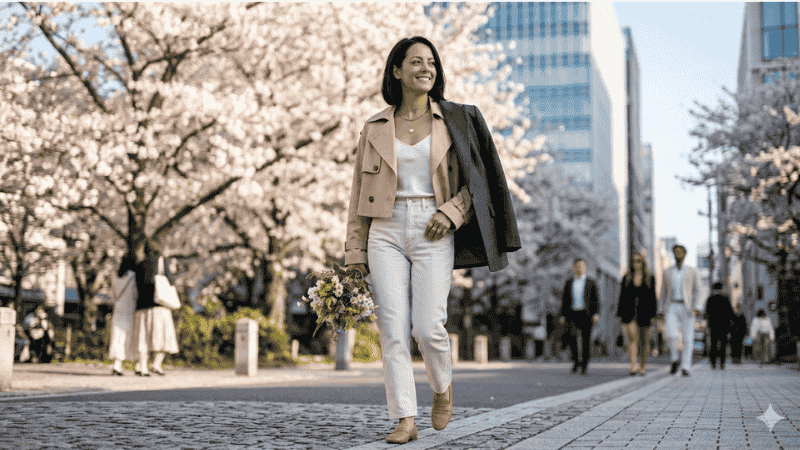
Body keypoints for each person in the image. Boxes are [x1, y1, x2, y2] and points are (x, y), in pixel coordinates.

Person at [344, 36, 520, 444]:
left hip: (433, 225)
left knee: (428, 327)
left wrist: (451, 213)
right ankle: (405, 417)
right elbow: (356, 197)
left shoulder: (455, 120)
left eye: (432, 63)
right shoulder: (373, 127)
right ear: (397, 71)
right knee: (391, 327)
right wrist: (355, 252)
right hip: (383, 229)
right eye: (416, 62)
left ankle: (442, 387)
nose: (426, 68)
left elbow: (477, 183)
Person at [130, 242, 180, 376]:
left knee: (143, 338)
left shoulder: (138, 266)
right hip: (159, 306)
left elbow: (136, 286)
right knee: (163, 338)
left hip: (141, 307)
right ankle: (156, 364)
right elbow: (171, 281)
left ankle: (142, 366)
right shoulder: (161, 262)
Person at [659, 244, 701, 377]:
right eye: (675, 251)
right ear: (673, 254)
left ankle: (686, 366)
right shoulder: (667, 272)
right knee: (671, 334)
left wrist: (697, 307)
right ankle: (674, 359)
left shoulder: (692, 271)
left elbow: (698, 290)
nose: (678, 254)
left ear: (684, 254)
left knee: (688, 338)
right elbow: (663, 292)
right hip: (671, 305)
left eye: (680, 252)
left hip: (687, 307)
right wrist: (660, 309)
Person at [616, 253, 657, 376]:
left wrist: (654, 315)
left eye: (639, 261)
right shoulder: (626, 278)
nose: (636, 263)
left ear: (643, 263)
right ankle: (633, 366)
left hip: (645, 314)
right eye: (634, 261)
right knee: (631, 339)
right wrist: (619, 314)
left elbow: (653, 299)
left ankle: (643, 366)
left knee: (643, 341)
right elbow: (622, 297)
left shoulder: (650, 278)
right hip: (629, 313)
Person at [559, 258, 600, 375]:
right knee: (572, 337)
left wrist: (596, 313)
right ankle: (576, 361)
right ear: (573, 268)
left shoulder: (591, 282)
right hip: (572, 314)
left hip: (586, 314)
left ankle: (585, 365)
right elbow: (565, 300)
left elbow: (596, 299)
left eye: (581, 266)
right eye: (577, 266)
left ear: (585, 267)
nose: (579, 268)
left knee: (586, 340)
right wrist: (562, 314)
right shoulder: (569, 282)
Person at [108, 252, 138, 376]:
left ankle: (117, 364)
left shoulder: (116, 276)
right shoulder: (133, 276)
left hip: (118, 309)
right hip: (130, 309)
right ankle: (137, 364)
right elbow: (136, 294)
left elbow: (113, 295)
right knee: (129, 337)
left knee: (117, 336)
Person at [704, 282, 734, 370]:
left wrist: (707, 323)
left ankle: (713, 363)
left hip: (713, 325)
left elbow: (706, 312)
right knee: (723, 345)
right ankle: (722, 363)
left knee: (713, 344)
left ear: (714, 289)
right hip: (724, 326)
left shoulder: (710, 298)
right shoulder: (725, 298)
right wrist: (730, 324)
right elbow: (730, 312)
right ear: (721, 288)